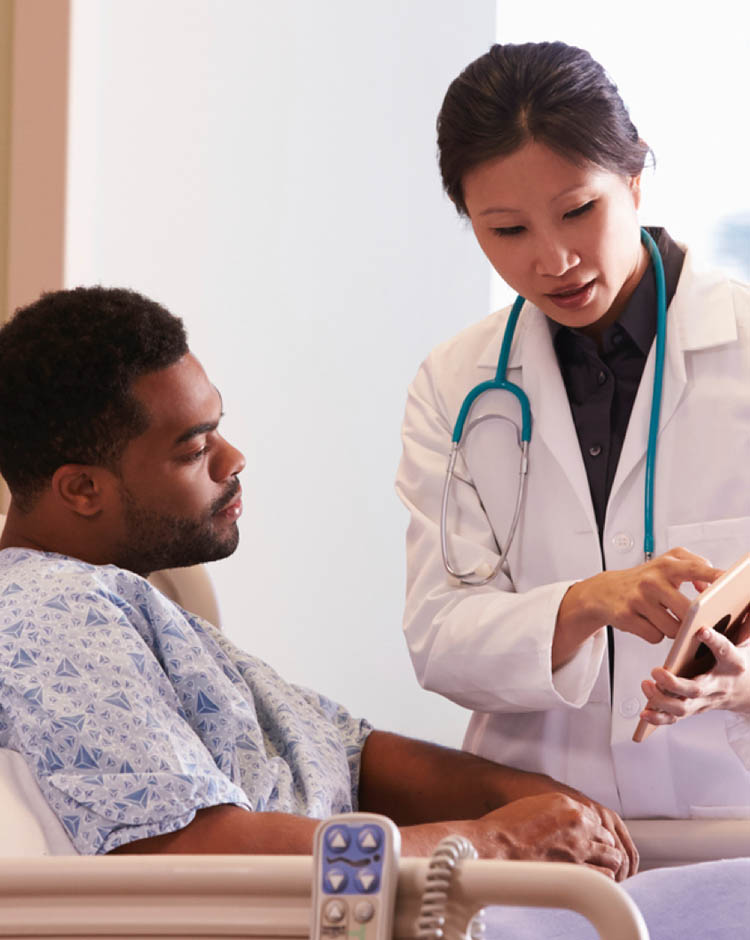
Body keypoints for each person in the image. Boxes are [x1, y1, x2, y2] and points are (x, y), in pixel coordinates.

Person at [0, 286, 636, 879]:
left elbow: (348, 754)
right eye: (194, 450)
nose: (233, 459)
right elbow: (193, 854)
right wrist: (492, 842)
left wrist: (531, 796)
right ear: (81, 489)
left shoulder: (121, 600)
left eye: (217, 426)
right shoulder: (51, 613)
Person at [395, 41, 750, 820]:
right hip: (545, 831)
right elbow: (439, 635)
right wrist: (585, 602)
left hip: (732, 828)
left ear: (633, 175)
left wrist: (742, 684)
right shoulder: (456, 384)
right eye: (507, 230)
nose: (553, 259)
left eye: (578, 210)